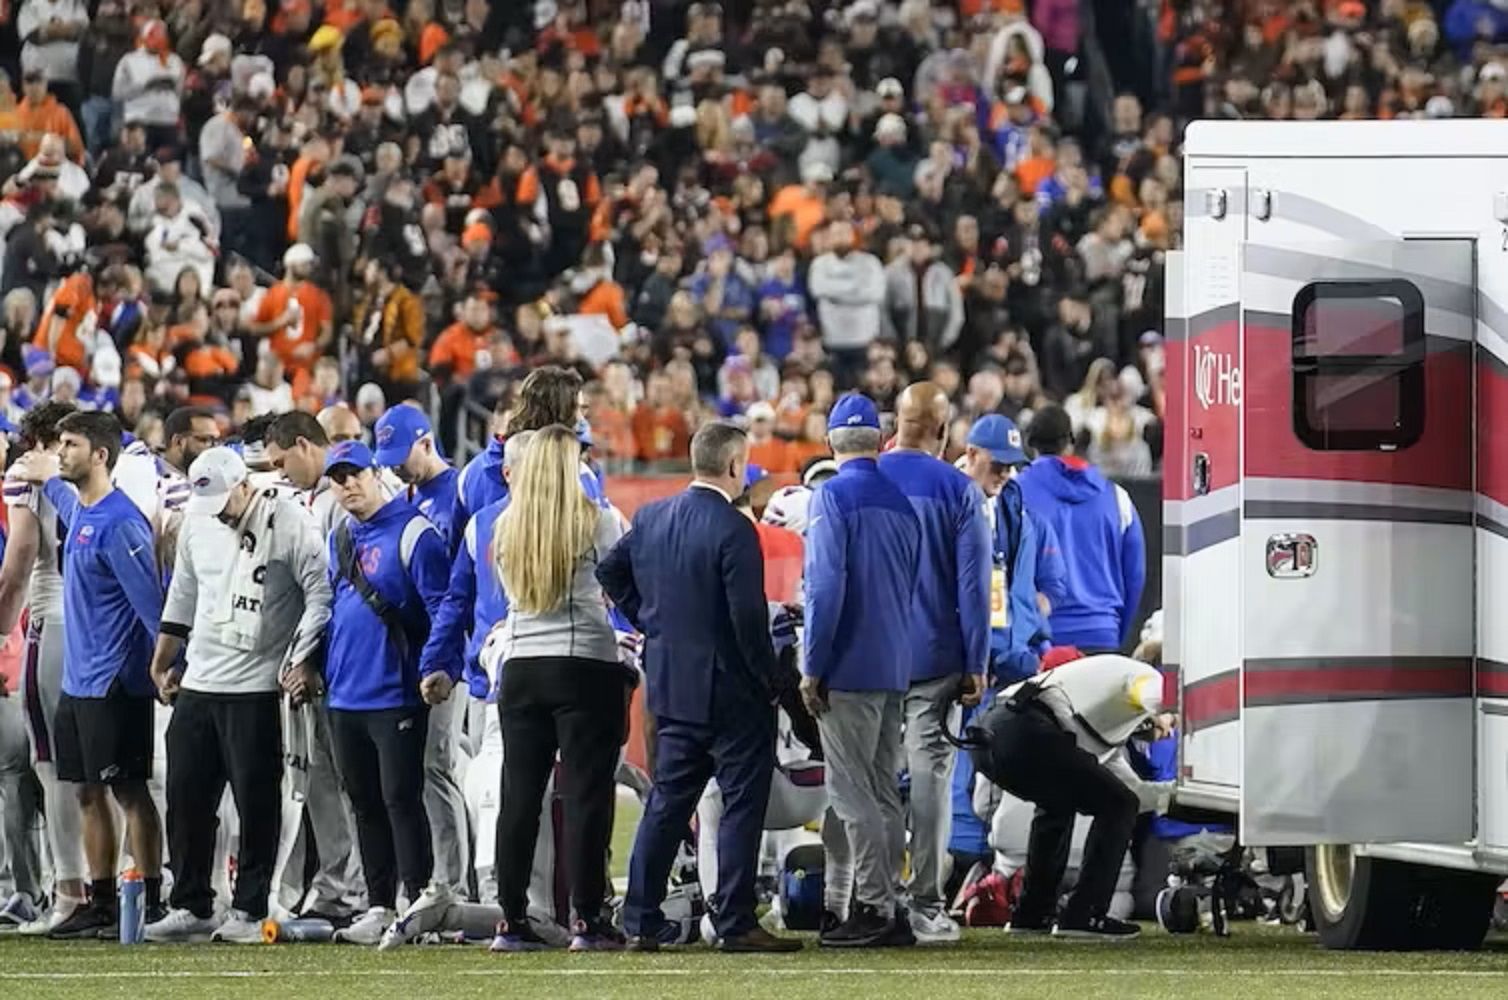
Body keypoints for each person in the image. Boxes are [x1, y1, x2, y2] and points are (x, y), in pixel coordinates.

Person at [598, 421, 802, 954]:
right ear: (735, 466)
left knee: (667, 802)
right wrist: (772, 682)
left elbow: (609, 571)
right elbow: (747, 619)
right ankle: (734, 920)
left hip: (671, 687)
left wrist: (651, 622)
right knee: (740, 803)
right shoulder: (735, 529)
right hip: (732, 692)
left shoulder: (652, 516)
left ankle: (640, 918)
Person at [143, 447, 332, 944]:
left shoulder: (289, 521)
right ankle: (192, 903)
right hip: (201, 681)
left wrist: (301, 658)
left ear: (245, 484)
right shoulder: (197, 524)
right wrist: (163, 659)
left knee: (256, 802)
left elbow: (320, 592)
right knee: (186, 798)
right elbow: (183, 593)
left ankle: (250, 906)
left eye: (227, 500)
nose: (221, 511)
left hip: (257, 684)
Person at [10, 410, 165, 939]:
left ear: (100, 455)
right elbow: (55, 485)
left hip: (115, 682)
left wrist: (166, 670)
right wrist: (40, 466)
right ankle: (99, 902)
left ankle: (150, 898)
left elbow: (152, 606)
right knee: (84, 791)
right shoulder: (80, 507)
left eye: (71, 445)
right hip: (78, 680)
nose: (63, 451)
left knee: (130, 792)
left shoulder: (122, 522)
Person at [484, 424, 636, 953]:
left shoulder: (504, 525)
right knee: (585, 796)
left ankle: (511, 918)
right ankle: (588, 919)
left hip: (522, 666)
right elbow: (623, 590)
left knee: (518, 796)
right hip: (584, 662)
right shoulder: (599, 521)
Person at [307, 439, 453, 948]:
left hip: (396, 690)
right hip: (344, 693)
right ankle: (377, 903)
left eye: (355, 474)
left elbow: (442, 608)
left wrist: (437, 668)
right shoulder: (341, 535)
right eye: (337, 477)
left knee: (401, 799)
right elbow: (329, 605)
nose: (347, 485)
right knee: (365, 802)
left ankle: (418, 902)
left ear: (375, 473)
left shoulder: (416, 533)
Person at [799, 393, 921, 948]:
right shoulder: (901, 502)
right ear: (881, 440)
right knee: (882, 791)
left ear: (831, 442)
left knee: (851, 794)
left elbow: (825, 590)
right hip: (895, 661)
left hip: (847, 664)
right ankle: (890, 901)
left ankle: (872, 905)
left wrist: (813, 665)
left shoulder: (832, 499)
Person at [875, 382, 990, 944]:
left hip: (867, 657)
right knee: (930, 780)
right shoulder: (959, 491)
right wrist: (977, 660)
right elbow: (973, 588)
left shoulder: (862, 480)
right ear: (943, 432)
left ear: (895, 424)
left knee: (864, 779)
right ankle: (924, 901)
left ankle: (861, 896)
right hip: (936, 655)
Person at [965, 654, 1174, 940]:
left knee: (1061, 803)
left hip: (992, 735)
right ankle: (1084, 913)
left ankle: (1032, 914)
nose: (1168, 733)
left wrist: (1179, 792)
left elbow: (1135, 793)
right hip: (1027, 729)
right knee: (1115, 804)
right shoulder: (1144, 677)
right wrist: (1165, 714)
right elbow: (1152, 694)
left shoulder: (1099, 724)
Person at [262, 409, 365, 920]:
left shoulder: (337, 505)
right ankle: (335, 884)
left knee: (349, 778)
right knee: (320, 775)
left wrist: (311, 658)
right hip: (317, 659)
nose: (281, 473)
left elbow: (333, 591)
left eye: (284, 461)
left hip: (338, 661)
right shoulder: (307, 500)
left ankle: (357, 888)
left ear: (305, 445)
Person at [371, 402, 468, 897]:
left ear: (426, 442)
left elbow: (462, 580)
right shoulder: (408, 493)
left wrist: (450, 655)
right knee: (434, 766)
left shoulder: (457, 493)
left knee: (438, 765)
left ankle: (453, 883)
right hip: (418, 648)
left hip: (452, 650)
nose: (390, 465)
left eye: (398, 453)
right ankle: (442, 877)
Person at [0, 402, 87, 933]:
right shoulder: (114, 466)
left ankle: (69, 890)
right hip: (103, 629)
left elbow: (19, 564)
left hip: (52, 623)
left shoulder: (29, 475)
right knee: (107, 770)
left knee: (50, 765)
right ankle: (119, 885)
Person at [1015, 405, 1145, 653]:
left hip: (1038, 642)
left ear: (1030, 444)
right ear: (1070, 442)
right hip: (1102, 635)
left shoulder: (1012, 494)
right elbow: (1135, 576)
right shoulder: (1118, 498)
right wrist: (1115, 633)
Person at [960, 414, 1066, 684]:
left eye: (1011, 465)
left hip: (1015, 659)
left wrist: (1034, 637)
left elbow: (1040, 587)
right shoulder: (949, 508)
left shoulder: (1018, 515)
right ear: (972, 454)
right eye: (998, 465)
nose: (1005, 473)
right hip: (969, 665)